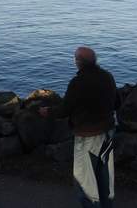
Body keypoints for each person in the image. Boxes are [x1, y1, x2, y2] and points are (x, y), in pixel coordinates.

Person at [40, 47, 118, 208]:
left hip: (87, 135)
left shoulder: (78, 82)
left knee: (85, 183)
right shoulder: (107, 77)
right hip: (108, 132)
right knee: (105, 179)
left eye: (75, 58)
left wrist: (47, 111)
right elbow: (118, 102)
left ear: (78, 62)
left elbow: (65, 110)